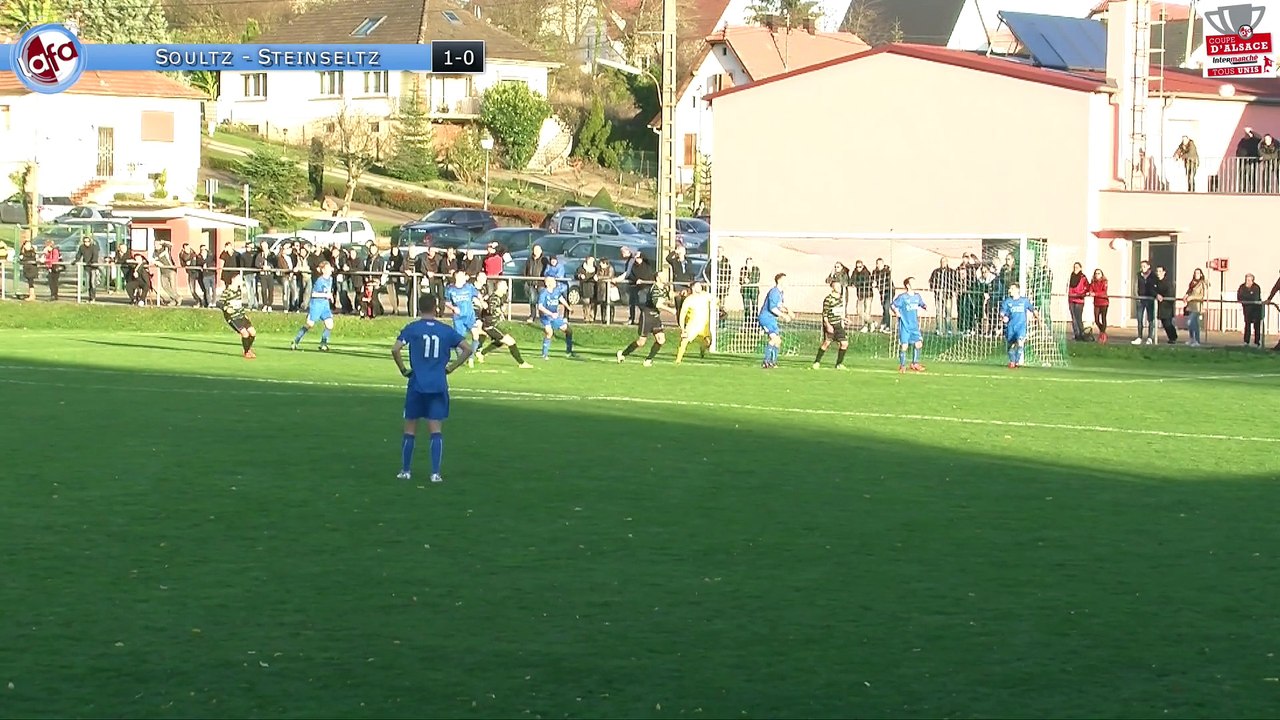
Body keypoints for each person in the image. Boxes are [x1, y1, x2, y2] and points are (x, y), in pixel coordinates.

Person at [391, 292, 473, 483]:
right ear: (436, 308)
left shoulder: (413, 328)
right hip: (437, 384)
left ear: (419, 308)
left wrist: (403, 369)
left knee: (410, 428)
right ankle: (435, 473)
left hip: (417, 384)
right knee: (435, 429)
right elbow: (468, 349)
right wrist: (451, 367)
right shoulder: (445, 330)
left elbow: (395, 349)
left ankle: (405, 471)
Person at [617, 276, 674, 367]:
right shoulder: (655, 289)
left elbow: (666, 300)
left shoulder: (664, 289)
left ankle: (648, 360)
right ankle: (623, 354)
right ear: (658, 278)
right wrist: (671, 310)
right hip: (647, 316)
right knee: (641, 342)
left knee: (661, 340)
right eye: (662, 275)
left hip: (656, 316)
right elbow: (658, 304)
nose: (665, 277)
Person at [475, 279, 533, 368]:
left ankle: (481, 353)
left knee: (500, 342)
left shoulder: (501, 297)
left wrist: (501, 310)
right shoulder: (495, 298)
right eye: (505, 286)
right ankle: (522, 363)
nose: (507, 287)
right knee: (510, 341)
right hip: (490, 326)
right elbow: (490, 309)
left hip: (493, 325)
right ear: (500, 287)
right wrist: (498, 310)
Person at [291, 261, 336, 351]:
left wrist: (330, 295)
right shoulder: (320, 281)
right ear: (323, 270)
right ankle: (295, 341)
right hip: (317, 305)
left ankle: (323, 343)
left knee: (329, 324)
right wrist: (325, 295)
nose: (330, 269)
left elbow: (327, 291)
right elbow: (314, 294)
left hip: (325, 305)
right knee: (309, 324)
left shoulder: (330, 279)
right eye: (327, 268)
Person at [216, 273, 259, 359]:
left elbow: (239, 305)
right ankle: (246, 352)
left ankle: (248, 349)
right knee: (245, 334)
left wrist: (244, 314)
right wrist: (226, 308)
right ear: (233, 280)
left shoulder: (238, 291)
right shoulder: (227, 291)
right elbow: (219, 303)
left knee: (253, 332)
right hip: (232, 317)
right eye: (238, 279)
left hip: (240, 315)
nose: (240, 281)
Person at [891, 277, 927, 373]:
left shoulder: (917, 296)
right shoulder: (903, 297)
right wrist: (896, 312)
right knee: (904, 346)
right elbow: (893, 305)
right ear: (908, 285)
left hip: (914, 325)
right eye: (913, 282)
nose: (915, 284)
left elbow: (921, 303)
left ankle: (915, 363)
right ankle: (902, 365)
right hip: (905, 325)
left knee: (918, 344)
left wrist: (924, 306)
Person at [757, 273, 793, 369]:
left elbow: (779, 306)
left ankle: (773, 362)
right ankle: (766, 361)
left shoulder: (780, 293)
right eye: (785, 280)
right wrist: (784, 316)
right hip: (766, 318)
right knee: (774, 339)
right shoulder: (774, 292)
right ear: (780, 281)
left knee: (778, 341)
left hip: (771, 319)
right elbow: (772, 308)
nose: (787, 283)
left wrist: (788, 311)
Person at [1000, 282, 1038, 369]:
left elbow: (1032, 309)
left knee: (1020, 343)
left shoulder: (1024, 301)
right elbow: (1002, 312)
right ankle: (1012, 361)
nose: (1010, 290)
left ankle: (1016, 363)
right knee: (1010, 346)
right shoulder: (1007, 301)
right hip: (1011, 327)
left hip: (1021, 327)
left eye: (1012, 289)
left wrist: (1038, 319)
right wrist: (1003, 317)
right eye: (1010, 289)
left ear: (1017, 290)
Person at [536, 275, 575, 359]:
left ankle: (569, 352)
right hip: (545, 316)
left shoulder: (556, 291)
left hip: (554, 316)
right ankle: (544, 354)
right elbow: (540, 307)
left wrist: (569, 308)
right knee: (549, 333)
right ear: (548, 283)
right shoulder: (543, 293)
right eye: (553, 281)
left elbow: (561, 299)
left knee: (568, 331)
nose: (555, 283)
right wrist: (550, 314)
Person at [813, 279, 849, 370]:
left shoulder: (840, 298)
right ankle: (816, 362)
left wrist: (844, 319)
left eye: (839, 286)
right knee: (826, 343)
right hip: (830, 324)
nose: (839, 288)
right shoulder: (828, 299)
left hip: (838, 324)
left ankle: (839, 364)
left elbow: (838, 312)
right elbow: (824, 314)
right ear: (832, 288)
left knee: (844, 343)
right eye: (836, 286)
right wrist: (828, 325)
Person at [675, 280, 714, 364]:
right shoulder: (689, 300)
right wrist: (682, 328)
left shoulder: (705, 295)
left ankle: (702, 351)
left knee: (708, 342)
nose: (700, 287)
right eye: (697, 286)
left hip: (704, 325)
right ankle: (678, 360)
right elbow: (682, 314)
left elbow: (715, 299)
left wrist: (718, 304)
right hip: (693, 325)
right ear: (693, 288)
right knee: (685, 340)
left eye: (700, 286)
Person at [444, 269, 480, 350]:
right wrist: (453, 308)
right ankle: (460, 358)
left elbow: (477, 294)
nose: (464, 277)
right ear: (457, 277)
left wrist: (481, 301)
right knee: (459, 339)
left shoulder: (469, 287)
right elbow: (446, 302)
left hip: (469, 315)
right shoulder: (450, 289)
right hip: (458, 317)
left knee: (475, 335)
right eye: (462, 275)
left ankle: (470, 357)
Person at [1132, 260, 1157, 345]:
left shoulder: (1153, 275)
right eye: (1142, 266)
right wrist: (1136, 297)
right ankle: (1139, 337)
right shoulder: (1138, 275)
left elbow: (1155, 286)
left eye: (1144, 266)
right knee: (1139, 319)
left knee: (1150, 319)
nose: (1143, 268)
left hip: (1150, 299)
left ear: (1148, 266)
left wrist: (1154, 295)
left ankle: (1150, 337)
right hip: (1140, 299)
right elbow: (1135, 286)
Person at [1183, 268, 1208, 347]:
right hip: (1190, 306)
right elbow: (1189, 291)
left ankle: (1197, 340)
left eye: (1198, 273)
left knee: (1191, 322)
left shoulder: (1202, 284)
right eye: (1195, 273)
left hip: (1197, 306)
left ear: (1201, 274)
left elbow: (1202, 296)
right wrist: (1186, 296)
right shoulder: (1192, 283)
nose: (1196, 274)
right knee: (1193, 324)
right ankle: (1192, 339)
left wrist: (1192, 297)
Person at [523, 245, 548, 320]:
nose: (536, 252)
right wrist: (527, 280)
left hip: (541, 284)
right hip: (531, 283)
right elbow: (525, 270)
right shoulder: (529, 260)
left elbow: (547, 271)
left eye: (537, 250)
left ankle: (542, 316)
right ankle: (532, 315)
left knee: (542, 301)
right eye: (534, 250)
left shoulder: (544, 260)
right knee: (532, 300)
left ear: (541, 251)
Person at [1154, 266, 1178, 344]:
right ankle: (1172, 337)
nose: (1158, 273)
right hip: (1160, 306)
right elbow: (1151, 290)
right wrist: (1156, 295)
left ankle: (1173, 337)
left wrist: (1163, 297)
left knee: (1167, 323)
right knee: (1164, 323)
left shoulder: (1168, 282)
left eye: (1160, 271)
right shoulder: (1156, 282)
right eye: (1157, 271)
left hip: (1167, 306)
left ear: (1164, 272)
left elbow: (1170, 293)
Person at [1239, 273, 1263, 347]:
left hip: (1256, 310)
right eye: (1246, 280)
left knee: (1257, 326)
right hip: (1247, 310)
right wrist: (1248, 296)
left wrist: (1247, 297)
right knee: (1247, 325)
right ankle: (1246, 341)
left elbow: (1255, 298)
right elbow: (1240, 296)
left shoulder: (1256, 287)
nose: (1247, 282)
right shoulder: (1242, 287)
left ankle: (1257, 342)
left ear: (1252, 280)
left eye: (1249, 280)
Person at [74, 233, 100, 302]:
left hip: (93, 267)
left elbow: (95, 256)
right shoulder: (82, 247)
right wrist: (76, 260)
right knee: (88, 283)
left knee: (92, 282)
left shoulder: (94, 247)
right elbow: (79, 255)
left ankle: (93, 297)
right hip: (87, 267)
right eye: (85, 241)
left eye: (88, 241)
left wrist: (92, 262)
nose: (86, 243)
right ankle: (90, 297)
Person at [1067, 262, 1088, 340]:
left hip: (1079, 300)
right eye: (1074, 267)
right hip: (1071, 299)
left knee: (1078, 317)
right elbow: (1068, 287)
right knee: (1073, 318)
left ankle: (1082, 333)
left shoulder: (1083, 277)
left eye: (1077, 267)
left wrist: (1080, 293)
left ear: (1080, 268)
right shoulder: (1071, 276)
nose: (1075, 268)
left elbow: (1087, 287)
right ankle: (1076, 334)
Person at [872, 258, 893, 332]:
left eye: (881, 263)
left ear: (883, 264)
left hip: (889, 290)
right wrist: (874, 283)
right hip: (881, 292)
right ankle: (884, 323)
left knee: (886, 307)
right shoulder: (875, 272)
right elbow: (873, 280)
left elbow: (888, 278)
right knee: (884, 308)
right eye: (878, 263)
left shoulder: (887, 271)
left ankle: (887, 325)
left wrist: (888, 268)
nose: (879, 265)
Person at [1089, 269, 1110, 342]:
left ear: (1101, 274)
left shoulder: (1104, 282)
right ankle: (1102, 331)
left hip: (1104, 302)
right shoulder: (1093, 282)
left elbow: (1104, 292)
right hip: (1096, 303)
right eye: (1096, 273)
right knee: (1096, 320)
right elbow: (1091, 289)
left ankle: (1102, 334)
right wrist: (1091, 292)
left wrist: (1096, 294)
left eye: (1099, 273)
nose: (1097, 275)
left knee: (1103, 318)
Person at [739, 258, 761, 323]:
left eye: (750, 263)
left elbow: (756, 279)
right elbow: (740, 280)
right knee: (746, 308)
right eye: (748, 263)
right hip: (745, 291)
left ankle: (755, 323)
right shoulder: (743, 269)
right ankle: (747, 323)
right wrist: (743, 280)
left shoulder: (756, 269)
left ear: (753, 263)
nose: (749, 264)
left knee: (755, 307)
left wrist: (748, 281)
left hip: (754, 291)